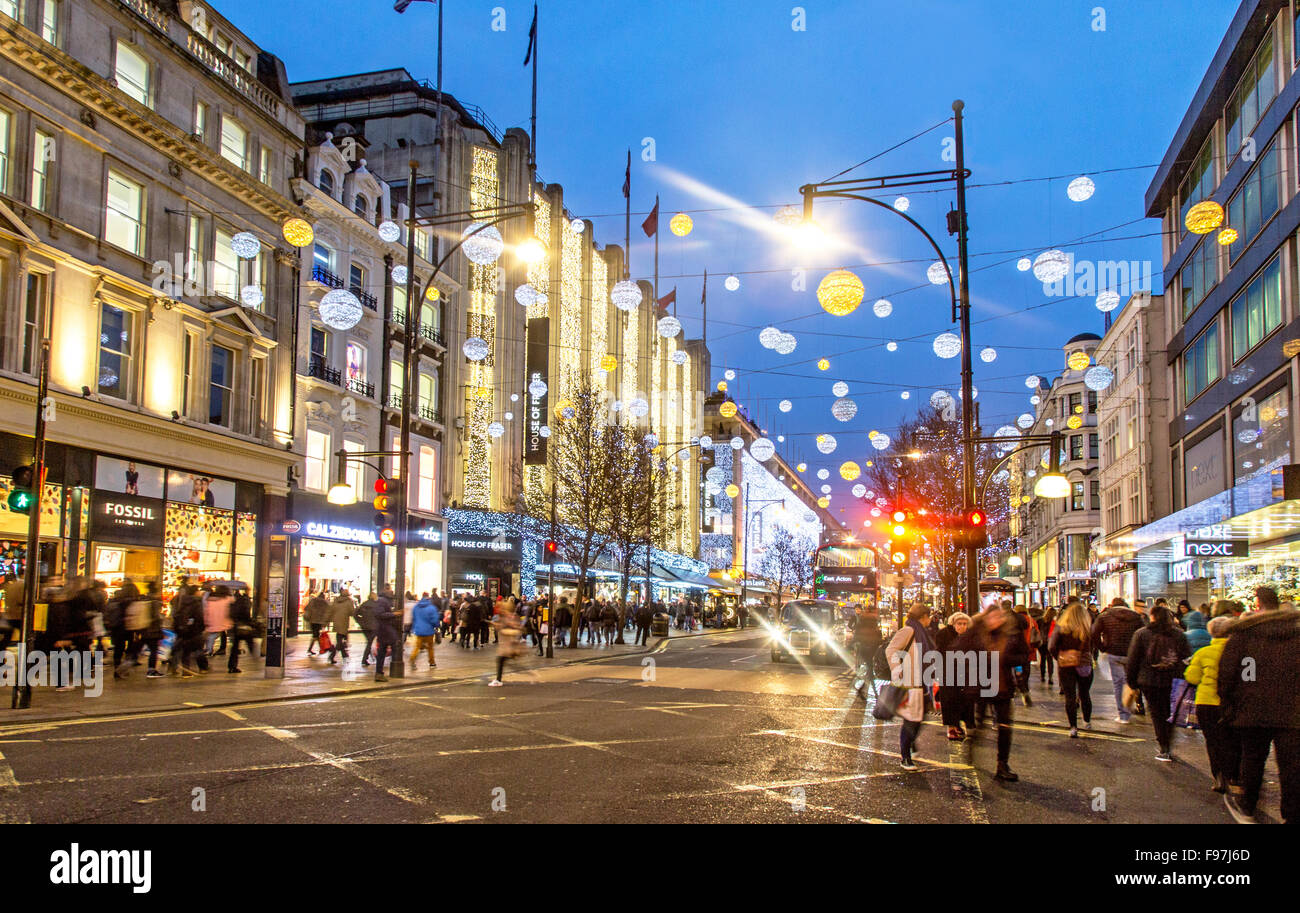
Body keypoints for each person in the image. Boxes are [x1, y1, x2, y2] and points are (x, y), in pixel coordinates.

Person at [1218, 586, 1300, 824]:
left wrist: (1229, 704)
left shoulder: (1244, 635)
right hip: (1293, 712)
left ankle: (1248, 807)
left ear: (1257, 606)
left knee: (1252, 759)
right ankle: (1292, 815)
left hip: (1252, 709)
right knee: (1292, 765)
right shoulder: (1296, 636)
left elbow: (1228, 675)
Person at [1125, 604, 1191, 762]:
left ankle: (1164, 746)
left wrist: (1132, 682)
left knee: (1156, 712)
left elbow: (1133, 659)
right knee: (1170, 711)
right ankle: (1168, 740)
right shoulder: (1179, 635)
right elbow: (1187, 658)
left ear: (1152, 617)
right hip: (1173, 679)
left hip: (1149, 680)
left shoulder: (1141, 634)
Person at [1183, 615, 1236, 794]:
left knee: (1212, 741)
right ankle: (1232, 774)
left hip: (1206, 703)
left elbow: (1192, 677)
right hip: (1230, 703)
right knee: (1230, 739)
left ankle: (1219, 776)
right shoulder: (1238, 653)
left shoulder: (1203, 653)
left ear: (1211, 632)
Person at [973, 602, 1025, 782]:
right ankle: (971, 753)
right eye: (991, 617)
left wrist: (1008, 660)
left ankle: (1002, 764)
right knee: (979, 723)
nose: (995, 621)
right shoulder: (977, 635)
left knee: (1005, 726)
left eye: (998, 617)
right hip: (982, 686)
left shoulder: (1010, 635)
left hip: (1003, 687)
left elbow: (1023, 655)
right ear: (985, 618)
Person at [886, 603, 933, 770]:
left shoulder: (921, 632)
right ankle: (905, 756)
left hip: (921, 681)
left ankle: (910, 744)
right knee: (911, 720)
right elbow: (891, 650)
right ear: (923, 617)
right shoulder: (909, 631)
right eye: (929, 616)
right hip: (909, 681)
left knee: (919, 718)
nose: (930, 619)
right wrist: (898, 670)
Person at [1091, 596, 1143, 724]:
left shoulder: (1104, 616)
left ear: (1112, 605)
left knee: (1118, 683)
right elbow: (1143, 633)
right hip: (1132, 654)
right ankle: (1135, 704)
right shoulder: (1136, 617)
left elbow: (1094, 633)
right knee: (1131, 682)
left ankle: (1123, 715)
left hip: (1114, 653)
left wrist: (1102, 648)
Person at [1049, 599, 1095, 738]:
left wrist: (1060, 657)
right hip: (1084, 663)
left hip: (1066, 665)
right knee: (1084, 693)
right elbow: (1095, 645)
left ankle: (1073, 727)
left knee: (1070, 696)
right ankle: (1087, 721)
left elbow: (1051, 646)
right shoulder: (1088, 627)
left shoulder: (1061, 627)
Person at [935, 612, 975, 740]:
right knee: (949, 701)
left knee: (963, 700)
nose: (962, 626)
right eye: (959, 624)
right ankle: (951, 728)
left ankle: (958, 725)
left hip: (965, 673)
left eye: (964, 624)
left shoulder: (969, 636)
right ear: (953, 624)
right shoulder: (944, 634)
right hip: (948, 673)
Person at [124, 580, 165, 678]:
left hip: (142, 628)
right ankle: (151, 670)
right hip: (152, 630)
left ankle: (124, 666)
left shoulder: (143, 599)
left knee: (137, 649)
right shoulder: (155, 601)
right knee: (153, 650)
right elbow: (156, 617)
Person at [106, 579, 138, 679]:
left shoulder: (115, 601)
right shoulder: (133, 602)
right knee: (131, 648)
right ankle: (123, 669)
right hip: (130, 627)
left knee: (118, 649)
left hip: (117, 627)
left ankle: (117, 668)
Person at [489, 597, 523, 686]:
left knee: (501, 659)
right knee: (501, 660)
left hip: (509, 644)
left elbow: (515, 628)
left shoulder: (511, 617)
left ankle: (498, 680)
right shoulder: (506, 616)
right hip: (506, 644)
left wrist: (502, 628)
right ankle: (498, 679)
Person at [372, 588, 400, 681]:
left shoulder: (382, 601)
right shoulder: (382, 601)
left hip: (384, 629)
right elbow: (380, 614)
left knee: (383, 650)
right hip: (384, 629)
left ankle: (379, 673)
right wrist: (394, 614)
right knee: (392, 646)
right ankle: (381, 672)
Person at [226, 587, 256, 673]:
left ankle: (232, 666)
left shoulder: (235, 600)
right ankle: (256, 657)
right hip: (244, 626)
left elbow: (231, 613)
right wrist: (250, 623)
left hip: (236, 626)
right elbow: (246, 613)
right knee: (250, 643)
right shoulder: (245, 600)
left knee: (235, 647)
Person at [409, 592, 439, 671]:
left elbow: (414, 618)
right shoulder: (431, 608)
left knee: (417, 646)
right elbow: (435, 619)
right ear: (428, 598)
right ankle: (432, 662)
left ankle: (412, 658)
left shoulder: (416, 607)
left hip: (418, 630)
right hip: (429, 631)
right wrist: (436, 626)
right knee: (430, 648)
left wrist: (414, 628)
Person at [328, 589, 355, 665]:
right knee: (340, 641)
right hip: (344, 622)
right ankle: (334, 656)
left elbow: (331, 610)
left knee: (340, 639)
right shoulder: (349, 601)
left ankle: (343, 656)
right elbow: (352, 612)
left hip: (336, 622)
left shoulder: (336, 600)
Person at [355, 593, 378, 666]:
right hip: (373, 626)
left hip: (365, 626)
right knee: (370, 642)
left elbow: (355, 614)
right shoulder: (376, 605)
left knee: (369, 642)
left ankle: (366, 658)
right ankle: (365, 658)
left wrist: (360, 622)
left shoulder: (364, 604)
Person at [304, 590, 330, 655]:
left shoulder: (313, 600)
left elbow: (306, 608)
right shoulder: (325, 603)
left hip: (312, 620)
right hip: (319, 621)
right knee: (316, 635)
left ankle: (317, 649)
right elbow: (328, 612)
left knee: (316, 635)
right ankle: (316, 649)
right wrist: (326, 622)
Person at [1037, 606, 1058, 685]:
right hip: (1050, 642)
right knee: (1050, 659)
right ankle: (1050, 676)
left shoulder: (1040, 620)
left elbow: (1037, 630)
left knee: (1042, 659)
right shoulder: (1054, 622)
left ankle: (1042, 676)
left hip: (1042, 642)